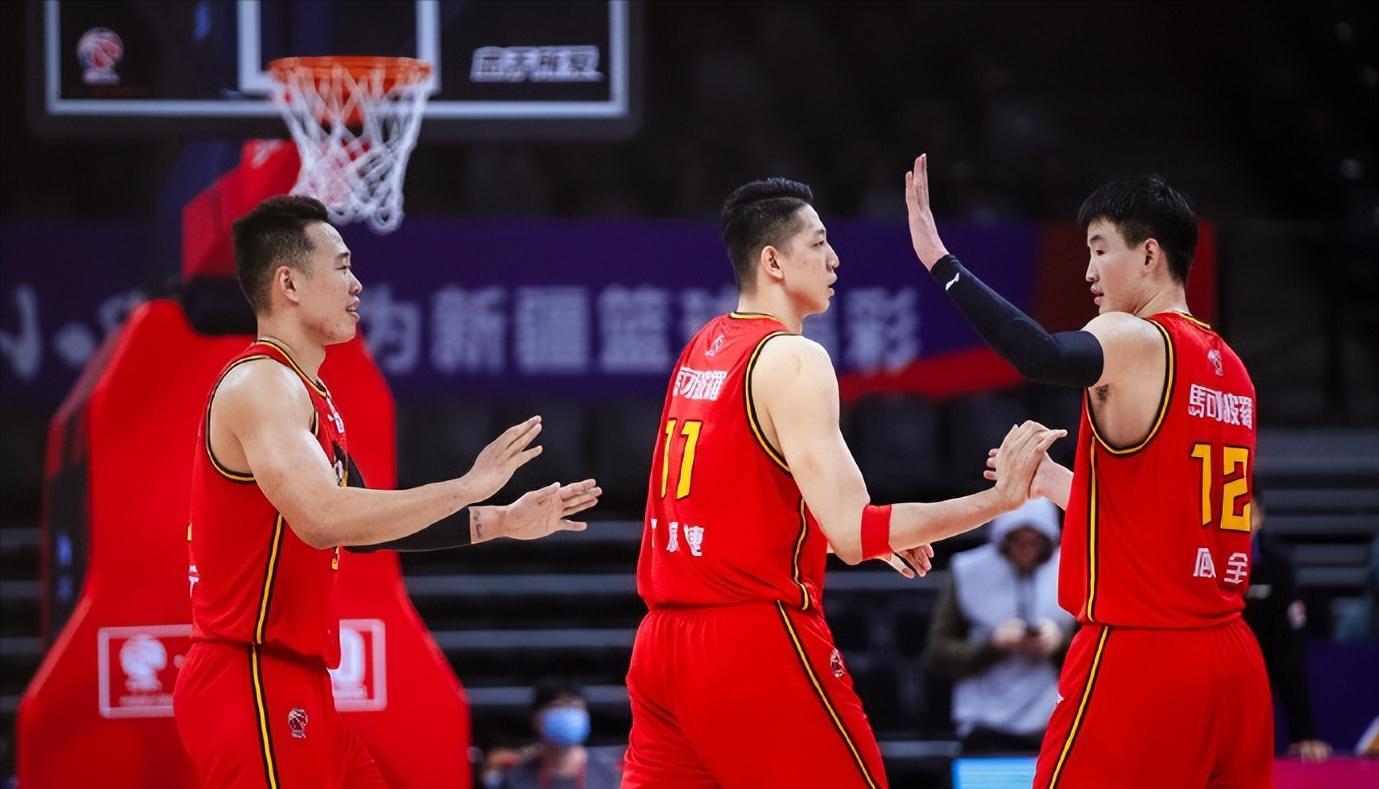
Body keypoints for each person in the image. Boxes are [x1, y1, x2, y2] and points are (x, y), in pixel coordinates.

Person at [621, 177, 1066, 788]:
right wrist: (999, 498)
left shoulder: (703, 347)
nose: (834, 259)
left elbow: (733, 508)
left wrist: (846, 535)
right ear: (773, 261)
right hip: (749, 640)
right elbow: (856, 532)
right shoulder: (794, 358)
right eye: (819, 243)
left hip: (661, 646)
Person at [172, 196, 602, 788]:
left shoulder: (308, 393)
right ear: (289, 283)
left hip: (296, 679)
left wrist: (499, 520)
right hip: (249, 674)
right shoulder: (262, 384)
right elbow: (323, 519)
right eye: (342, 266)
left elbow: (366, 530)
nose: (357, 284)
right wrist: (466, 486)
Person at [905, 154, 1274, 788]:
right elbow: (1161, 521)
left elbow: (1042, 354)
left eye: (1100, 250)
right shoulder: (1231, 369)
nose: (1088, 271)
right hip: (1233, 659)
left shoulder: (1137, 338)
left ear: (1150, 254)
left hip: (1144, 652)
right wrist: (1053, 483)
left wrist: (941, 262)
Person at [925, 498, 1074, 753]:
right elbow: (937, 653)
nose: (1026, 551)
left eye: (1035, 543)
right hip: (984, 722)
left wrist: (1059, 644)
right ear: (1003, 539)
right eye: (1018, 542)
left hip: (1052, 720)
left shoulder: (1072, 567)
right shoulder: (968, 571)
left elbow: (1098, 653)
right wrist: (993, 645)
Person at [1244, 490, 1331, 762]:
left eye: (1247, 511)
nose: (1238, 520)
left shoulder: (1278, 566)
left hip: (1255, 690)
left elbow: (1289, 657)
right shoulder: (1199, 560)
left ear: (1260, 516)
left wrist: (1304, 732)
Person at [483, 679, 621, 789]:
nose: (567, 713)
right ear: (535, 718)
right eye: (557, 706)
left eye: (575, 706)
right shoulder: (514, 779)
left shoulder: (611, 776)